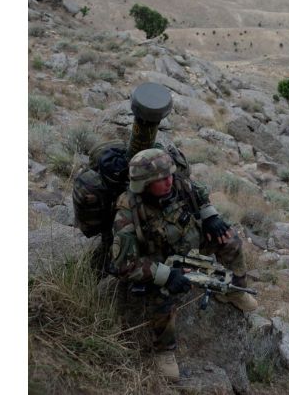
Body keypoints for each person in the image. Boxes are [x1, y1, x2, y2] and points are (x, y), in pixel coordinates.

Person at [107, 147, 258, 381]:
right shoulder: (128, 210)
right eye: (161, 179)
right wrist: (166, 274)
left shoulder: (176, 183)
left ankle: (235, 289)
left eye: (170, 175)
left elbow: (198, 192)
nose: (169, 181)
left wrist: (210, 216)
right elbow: (124, 264)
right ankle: (164, 350)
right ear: (145, 184)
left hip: (188, 242)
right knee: (164, 293)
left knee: (230, 241)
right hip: (159, 260)